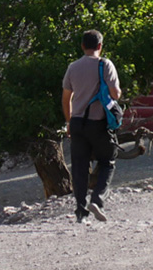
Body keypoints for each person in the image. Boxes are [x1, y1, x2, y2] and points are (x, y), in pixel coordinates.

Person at [61, 29, 121, 223]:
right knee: (107, 162)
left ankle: (80, 211)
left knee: (79, 166)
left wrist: (69, 121)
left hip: (77, 122)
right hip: (98, 121)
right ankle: (97, 200)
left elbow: (66, 98)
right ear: (100, 46)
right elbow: (115, 94)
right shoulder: (105, 65)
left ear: (82, 46)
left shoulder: (73, 67)